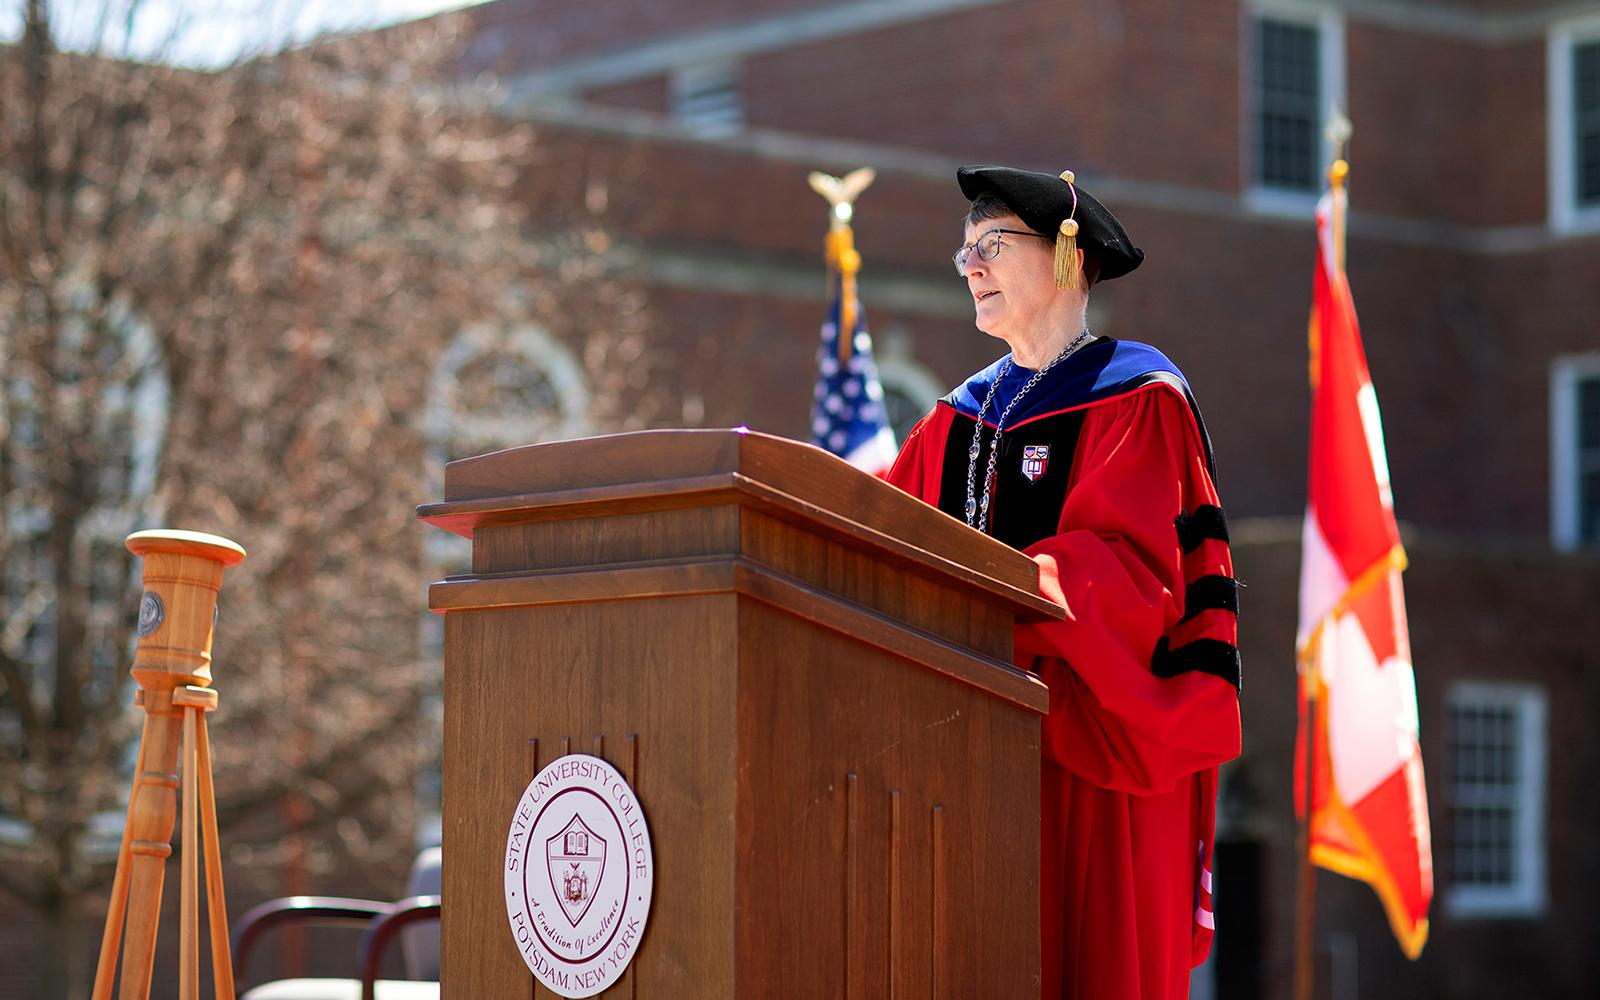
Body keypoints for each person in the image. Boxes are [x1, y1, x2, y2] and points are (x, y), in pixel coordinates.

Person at [884, 165, 1242, 1000]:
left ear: (1067, 259)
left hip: (1093, 744)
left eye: (991, 245)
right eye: (963, 251)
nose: (969, 266)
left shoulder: (1141, 398)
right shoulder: (953, 417)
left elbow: (1131, 578)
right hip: (965, 746)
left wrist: (984, 595)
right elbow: (875, 540)